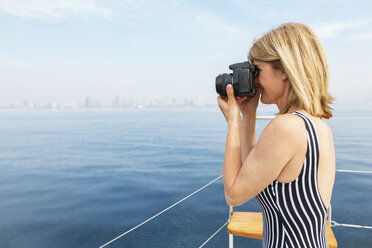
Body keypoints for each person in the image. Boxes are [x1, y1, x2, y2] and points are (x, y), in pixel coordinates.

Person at [217, 22, 335, 248]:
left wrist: (233, 120)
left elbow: (234, 194)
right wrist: (248, 114)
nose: (255, 80)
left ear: (284, 70)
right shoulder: (317, 126)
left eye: (257, 71)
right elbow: (254, 172)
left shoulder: (286, 128)